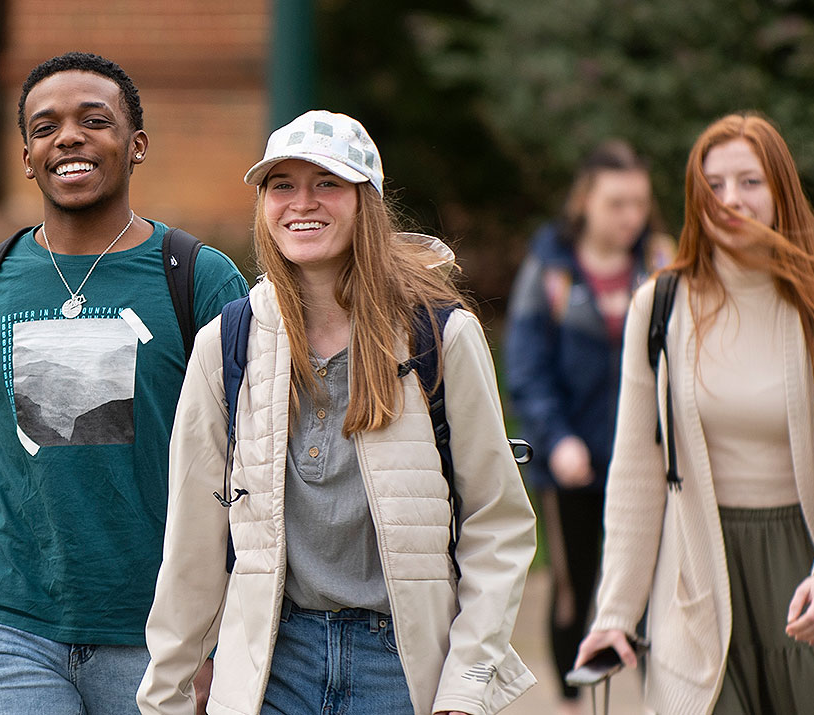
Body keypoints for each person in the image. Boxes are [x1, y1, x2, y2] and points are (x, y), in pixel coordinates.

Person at [139, 109, 538, 715]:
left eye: (327, 183)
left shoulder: (440, 336)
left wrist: (465, 686)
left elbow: (497, 523)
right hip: (275, 664)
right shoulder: (228, 342)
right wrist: (166, 691)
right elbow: (192, 537)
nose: (303, 203)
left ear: (365, 202)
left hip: (401, 668)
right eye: (283, 185)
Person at [0, 51, 248, 715]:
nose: (68, 136)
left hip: (160, 636)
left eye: (95, 120)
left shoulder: (203, 281)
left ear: (136, 144)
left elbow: (248, 480)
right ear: (28, 154)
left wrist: (219, 641)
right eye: (45, 127)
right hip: (9, 631)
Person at [575, 113, 814, 714]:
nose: (731, 200)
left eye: (750, 182)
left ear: (781, 191)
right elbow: (638, 471)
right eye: (713, 185)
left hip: (807, 566)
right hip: (698, 570)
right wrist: (617, 612)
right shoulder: (660, 307)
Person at [503, 140, 670, 713]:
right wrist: (558, 439)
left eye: (639, 204)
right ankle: (571, 701)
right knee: (575, 589)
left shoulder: (663, 266)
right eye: (616, 203)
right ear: (585, 202)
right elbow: (526, 368)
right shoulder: (549, 271)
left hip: (653, 462)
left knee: (656, 587)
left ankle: (663, 698)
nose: (631, 217)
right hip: (573, 463)